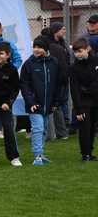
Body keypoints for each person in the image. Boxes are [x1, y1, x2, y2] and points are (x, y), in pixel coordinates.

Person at [20, 36, 66, 166]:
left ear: (45, 48)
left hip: (49, 104)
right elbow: (24, 85)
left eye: (39, 47)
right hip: (34, 105)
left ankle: (41, 154)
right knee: (38, 128)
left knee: (44, 129)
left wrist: (56, 102)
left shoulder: (54, 62)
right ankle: (37, 155)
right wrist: (31, 102)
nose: (36, 50)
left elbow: (59, 83)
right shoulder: (29, 64)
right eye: (34, 47)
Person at [69, 38, 98, 162]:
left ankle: (90, 152)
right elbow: (74, 89)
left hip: (96, 99)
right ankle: (85, 154)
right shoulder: (74, 67)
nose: (78, 54)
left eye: (80, 51)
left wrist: (90, 89)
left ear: (88, 49)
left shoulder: (96, 61)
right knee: (85, 128)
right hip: (83, 102)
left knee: (92, 128)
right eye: (76, 52)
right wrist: (78, 109)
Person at [41, 25, 69, 140]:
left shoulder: (52, 48)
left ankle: (51, 134)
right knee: (57, 106)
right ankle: (61, 133)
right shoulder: (59, 46)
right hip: (59, 80)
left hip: (52, 81)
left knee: (52, 107)